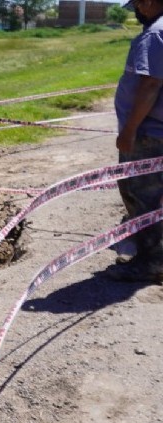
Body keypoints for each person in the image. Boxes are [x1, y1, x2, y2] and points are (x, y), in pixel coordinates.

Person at [106, 0, 163, 282]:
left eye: (139, 3)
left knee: (143, 198)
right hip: (155, 132)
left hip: (148, 135)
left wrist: (128, 131)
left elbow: (151, 84)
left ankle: (152, 263)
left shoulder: (154, 34)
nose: (138, 9)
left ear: (150, 2)